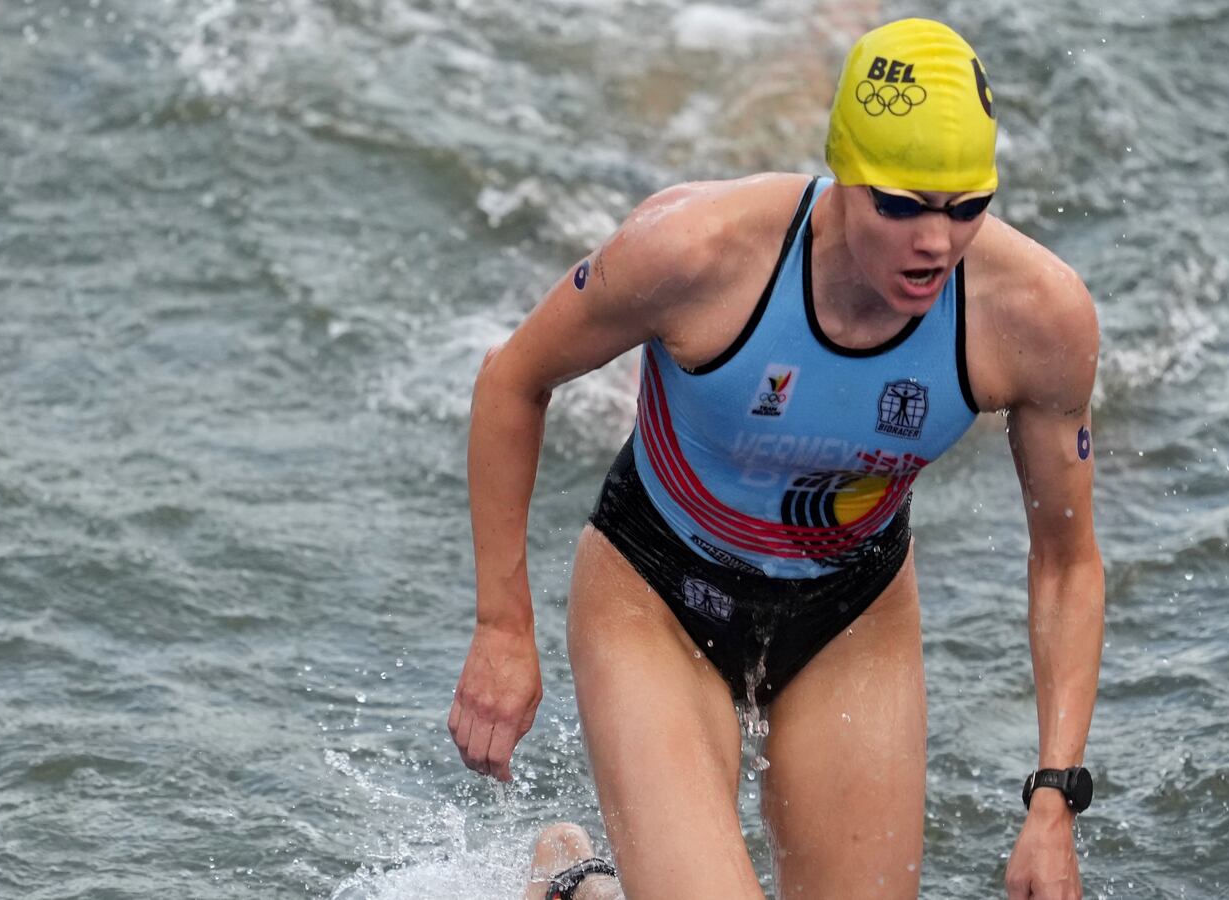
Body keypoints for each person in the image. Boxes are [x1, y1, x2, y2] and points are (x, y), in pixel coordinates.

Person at [451, 18, 1104, 900]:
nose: (936, 242)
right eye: (902, 205)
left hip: (853, 617)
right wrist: (502, 628)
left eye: (965, 207)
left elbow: (1067, 564)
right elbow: (512, 380)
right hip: (656, 594)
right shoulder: (696, 253)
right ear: (842, 175)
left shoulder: (1035, 317)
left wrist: (1054, 800)